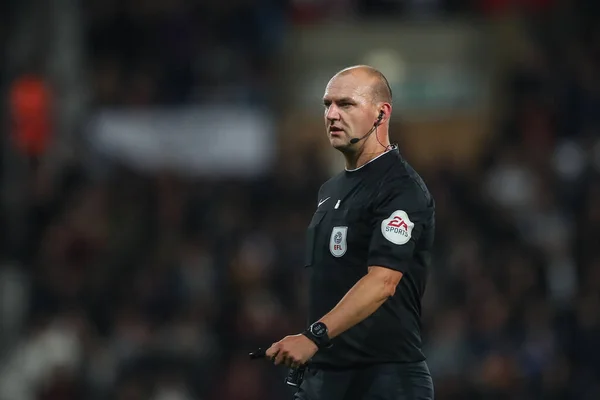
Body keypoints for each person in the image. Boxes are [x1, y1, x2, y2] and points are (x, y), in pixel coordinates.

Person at [265, 65, 436, 400]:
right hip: (325, 377)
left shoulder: (401, 189)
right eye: (327, 104)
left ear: (380, 113)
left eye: (345, 105)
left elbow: (383, 282)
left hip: (385, 379)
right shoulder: (330, 189)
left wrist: (313, 336)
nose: (331, 115)